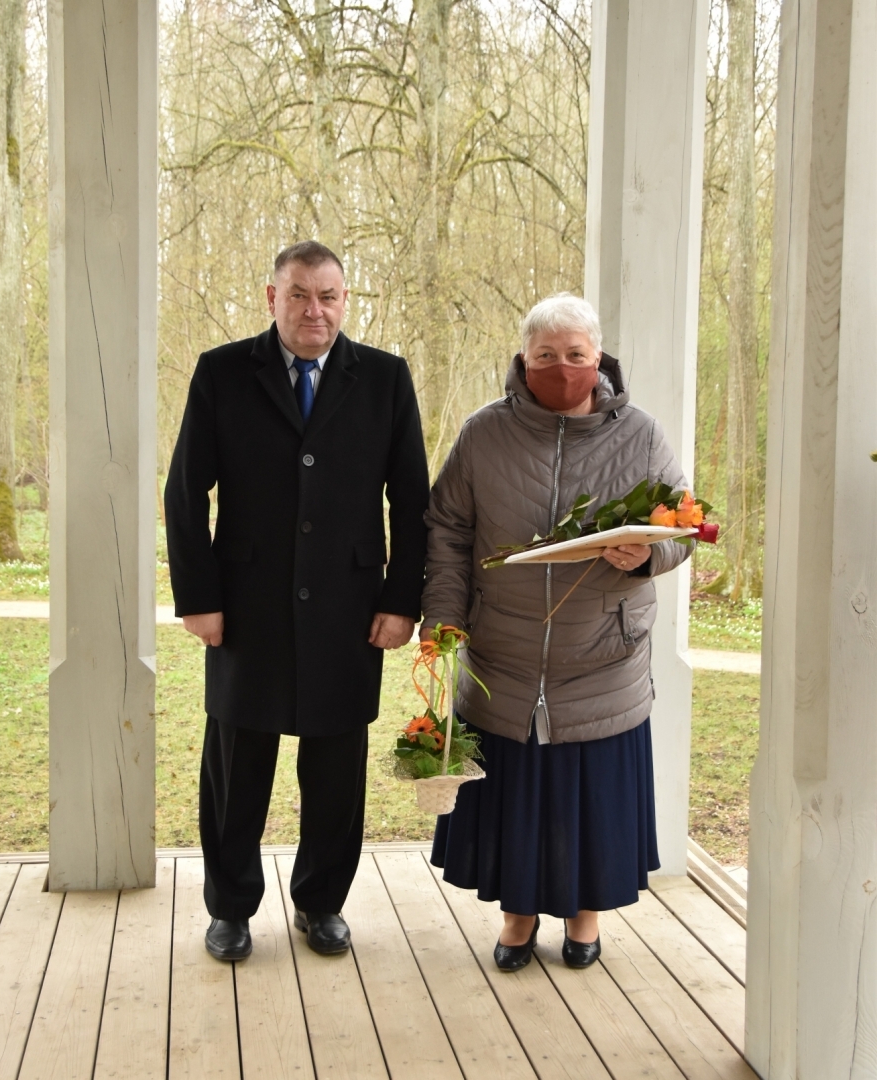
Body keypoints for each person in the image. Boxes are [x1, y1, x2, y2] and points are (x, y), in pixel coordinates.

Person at [165, 241, 429, 961]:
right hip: (245, 610)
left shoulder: (384, 378)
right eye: (300, 294)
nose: (316, 309)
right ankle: (231, 908)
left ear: (346, 300)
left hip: (351, 610)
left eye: (329, 296)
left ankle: (321, 903)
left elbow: (411, 500)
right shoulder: (221, 373)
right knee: (236, 766)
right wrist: (199, 597)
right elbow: (185, 493)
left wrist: (402, 598)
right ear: (271, 297)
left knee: (336, 771)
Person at [422, 292, 691, 971]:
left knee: (588, 801)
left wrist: (648, 556)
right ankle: (516, 919)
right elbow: (447, 529)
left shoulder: (643, 435)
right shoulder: (483, 434)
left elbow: (682, 528)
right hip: (503, 657)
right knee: (515, 799)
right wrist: (444, 620)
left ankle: (584, 918)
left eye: (576, 355)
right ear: (524, 358)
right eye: (547, 356)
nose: (562, 367)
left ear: (598, 357)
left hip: (602, 657)